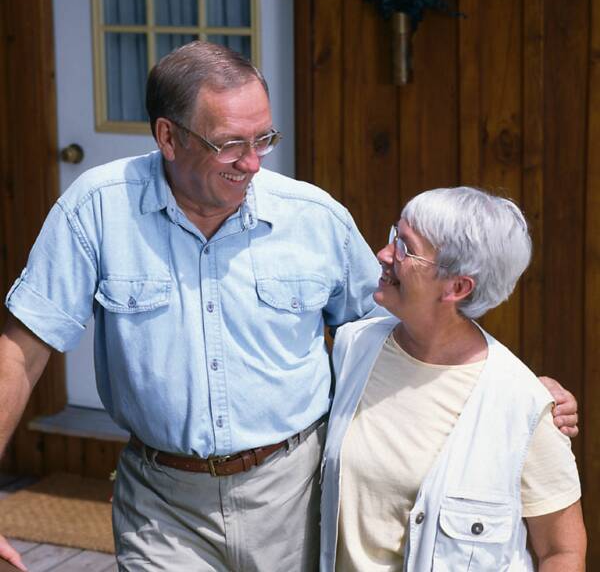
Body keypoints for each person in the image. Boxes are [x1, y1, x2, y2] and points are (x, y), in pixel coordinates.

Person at [0, 42, 577, 572]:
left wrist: (512, 393)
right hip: (162, 506)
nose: (252, 163)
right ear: (168, 137)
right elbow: (20, 355)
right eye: (229, 143)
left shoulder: (313, 218)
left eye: (263, 140)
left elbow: (409, 324)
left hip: (296, 500)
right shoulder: (96, 211)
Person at [320, 187, 586, 571]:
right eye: (394, 235)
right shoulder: (354, 348)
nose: (383, 254)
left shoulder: (522, 405)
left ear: (458, 287)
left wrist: (536, 400)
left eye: (405, 248)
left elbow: (561, 551)